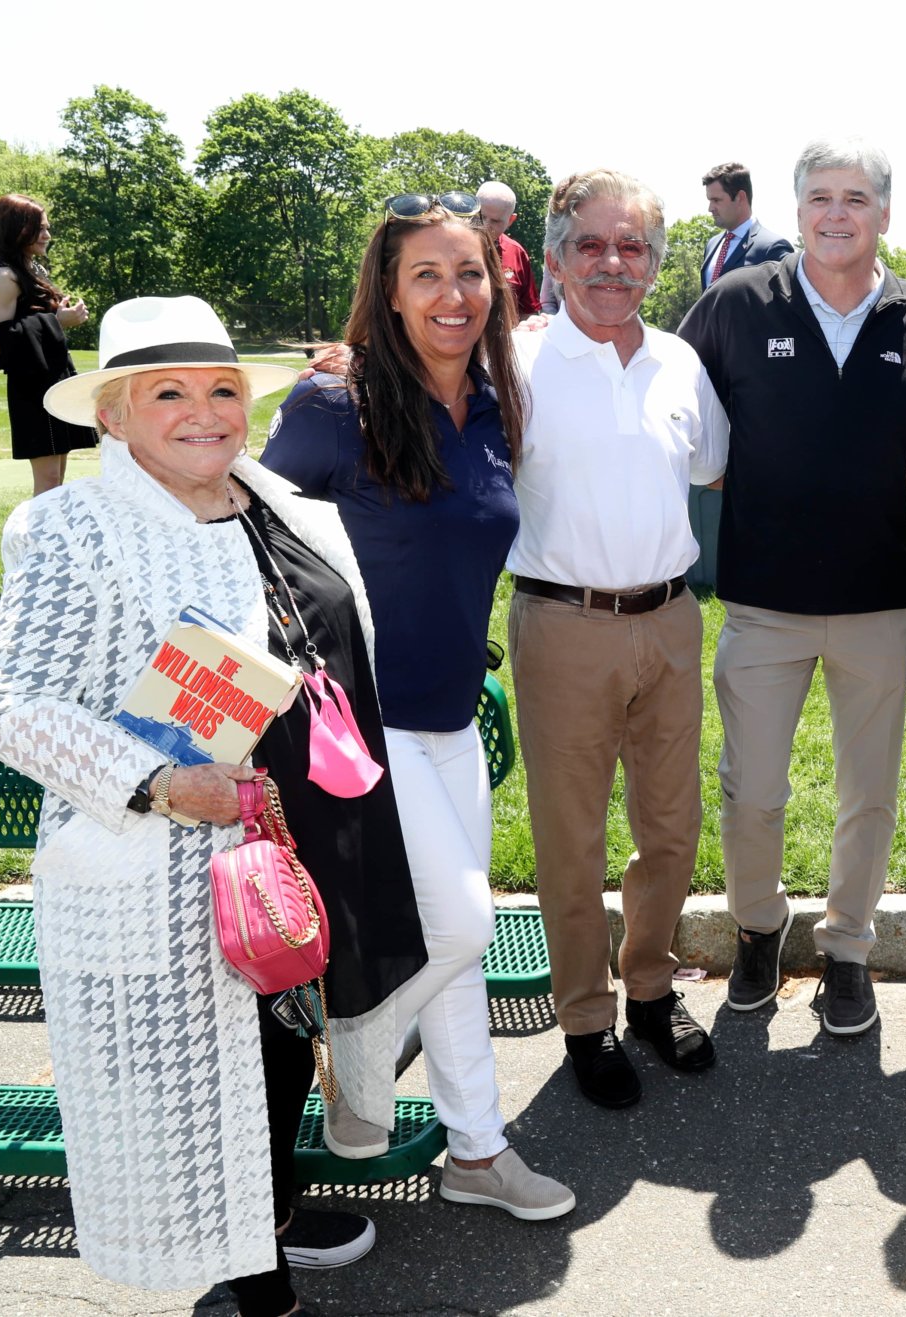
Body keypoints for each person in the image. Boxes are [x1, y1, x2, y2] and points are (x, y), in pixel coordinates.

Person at [0, 296, 432, 1315]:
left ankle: (263, 1213)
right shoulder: (72, 528)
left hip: (302, 835)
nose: (203, 411)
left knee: (281, 1038)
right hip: (167, 858)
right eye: (166, 393)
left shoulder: (282, 505)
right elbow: (2, 705)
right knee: (206, 1076)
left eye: (221, 388)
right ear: (115, 418)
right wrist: (159, 784)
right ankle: (243, 1276)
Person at [262, 193, 574, 1219]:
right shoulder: (331, 404)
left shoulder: (494, 403)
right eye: (426, 276)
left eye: (470, 274)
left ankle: (477, 1153)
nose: (453, 295)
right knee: (462, 925)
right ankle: (355, 1074)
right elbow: (252, 539)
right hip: (355, 725)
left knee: (459, 954)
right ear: (387, 295)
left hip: (447, 719)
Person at [678, 138, 906, 1036]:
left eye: (857, 197)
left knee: (868, 790)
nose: (838, 213)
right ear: (796, 211)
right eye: (821, 196)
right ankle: (758, 928)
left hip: (879, 600)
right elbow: (659, 395)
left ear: (884, 214)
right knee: (752, 788)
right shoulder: (734, 305)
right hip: (763, 599)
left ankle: (850, 948)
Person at [510, 169, 729, 1108]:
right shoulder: (514, 362)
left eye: (632, 246)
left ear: (654, 261)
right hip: (563, 623)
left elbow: (712, 465)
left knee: (671, 829)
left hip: (671, 622)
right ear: (556, 258)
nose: (612, 263)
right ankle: (586, 1017)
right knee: (572, 837)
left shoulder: (680, 362)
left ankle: (648, 987)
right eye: (591, 245)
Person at [0, 193, 95, 494]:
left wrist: (60, 316)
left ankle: (53, 539)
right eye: (41, 228)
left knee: (56, 479)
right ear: (19, 229)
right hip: (32, 389)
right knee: (48, 482)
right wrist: (58, 321)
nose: (48, 235)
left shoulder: (33, 270)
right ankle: (38, 540)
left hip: (53, 379)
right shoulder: (6, 276)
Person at [700, 161, 794, 289]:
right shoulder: (712, 245)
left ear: (740, 197)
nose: (710, 208)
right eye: (710, 200)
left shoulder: (772, 249)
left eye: (716, 200)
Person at [472, 181, 540, 321]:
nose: (485, 226)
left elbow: (528, 312)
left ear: (510, 220)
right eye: (481, 217)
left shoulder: (517, 253)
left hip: (504, 340)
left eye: (495, 221)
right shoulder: (452, 246)